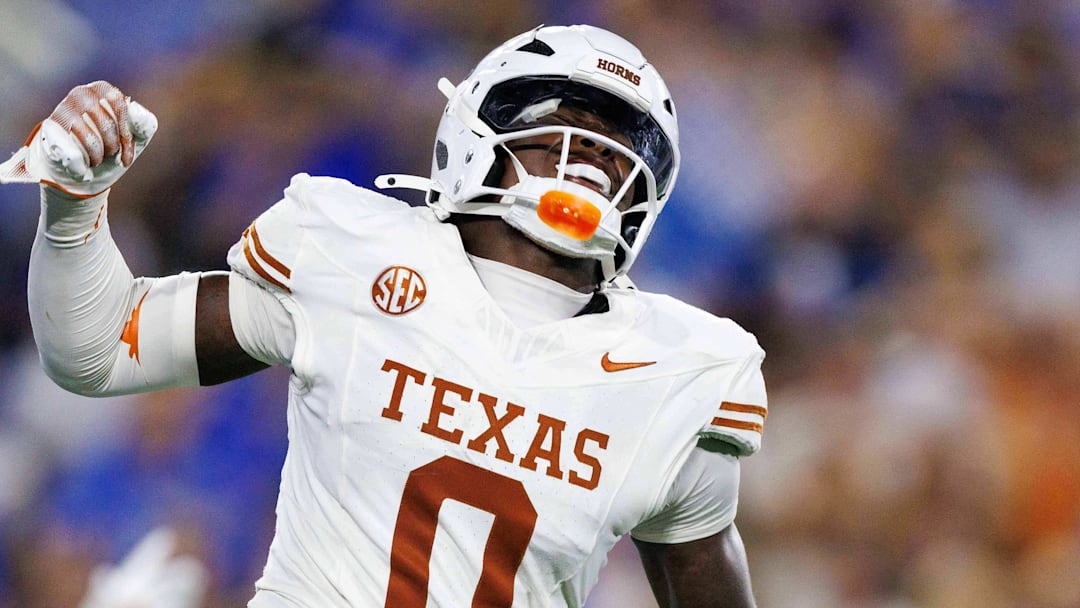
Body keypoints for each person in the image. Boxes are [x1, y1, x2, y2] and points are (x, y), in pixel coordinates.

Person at [2, 24, 768, 607]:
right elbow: (97, 350)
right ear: (484, 133)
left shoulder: (676, 375)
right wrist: (74, 212)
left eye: (619, 146)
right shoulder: (353, 253)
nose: (594, 156)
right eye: (568, 122)